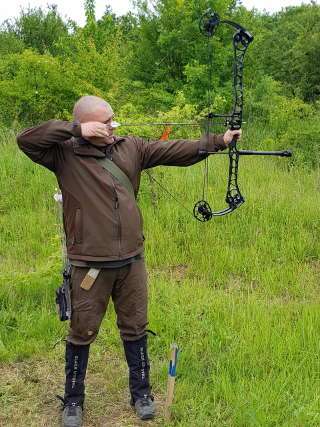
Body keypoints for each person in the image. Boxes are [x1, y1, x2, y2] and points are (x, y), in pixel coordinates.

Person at [17, 95, 241, 427]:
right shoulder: (63, 154)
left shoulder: (130, 147)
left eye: (112, 120)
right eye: (105, 122)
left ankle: (142, 394)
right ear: (87, 124)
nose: (113, 126)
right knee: (82, 331)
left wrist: (219, 141)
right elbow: (26, 139)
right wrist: (76, 130)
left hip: (131, 261)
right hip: (89, 264)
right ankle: (74, 402)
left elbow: (174, 151)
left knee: (135, 327)